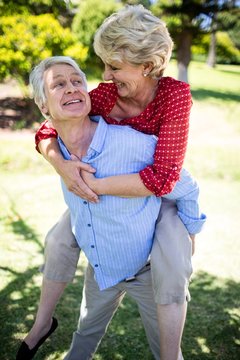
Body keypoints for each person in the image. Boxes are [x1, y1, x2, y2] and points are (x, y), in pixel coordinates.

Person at [20, 5, 206, 360]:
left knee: (172, 259)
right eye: (104, 64)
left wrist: (91, 186)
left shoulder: (174, 96)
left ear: (147, 66)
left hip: (160, 192)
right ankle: (42, 323)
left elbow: (164, 178)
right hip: (107, 190)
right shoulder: (108, 94)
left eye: (114, 66)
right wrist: (63, 166)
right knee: (59, 237)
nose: (105, 75)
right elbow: (52, 123)